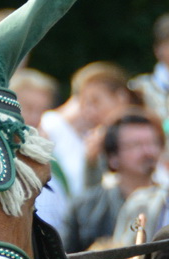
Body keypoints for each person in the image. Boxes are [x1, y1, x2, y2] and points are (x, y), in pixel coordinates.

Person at [36, 63, 134, 224]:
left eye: (96, 101)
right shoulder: (92, 139)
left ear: (121, 97)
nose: (89, 112)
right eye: (85, 103)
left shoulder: (144, 129)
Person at [61, 112, 165, 253]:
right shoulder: (85, 208)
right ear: (113, 157)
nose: (147, 152)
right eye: (136, 145)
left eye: (152, 143)